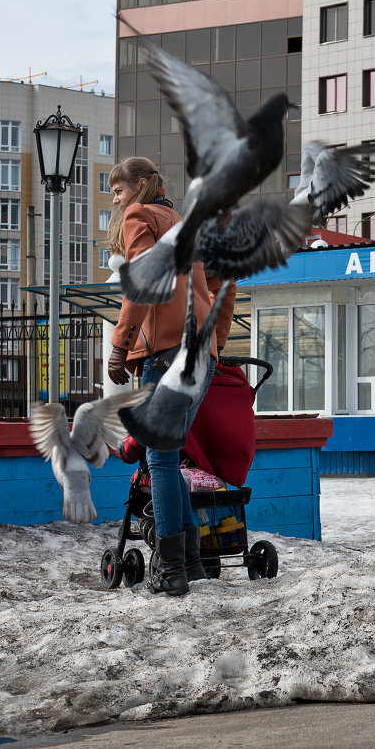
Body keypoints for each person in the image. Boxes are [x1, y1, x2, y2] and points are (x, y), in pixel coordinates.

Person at [105, 157, 236, 596]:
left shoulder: (138, 216)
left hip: (167, 353)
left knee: (159, 458)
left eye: (119, 190)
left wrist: (120, 344)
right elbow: (224, 283)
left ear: (141, 187)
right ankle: (192, 562)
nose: (116, 199)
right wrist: (215, 340)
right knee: (169, 455)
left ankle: (171, 569)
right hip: (200, 354)